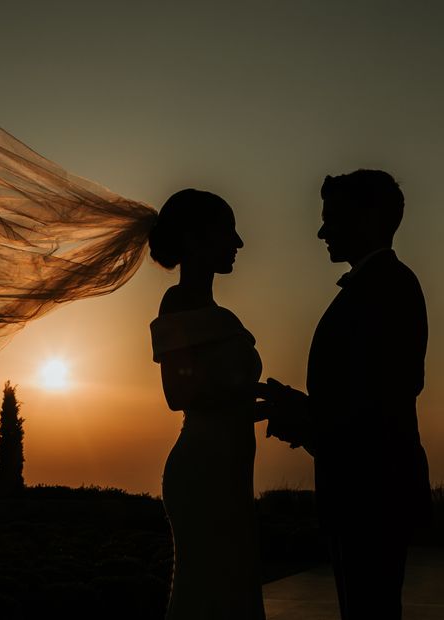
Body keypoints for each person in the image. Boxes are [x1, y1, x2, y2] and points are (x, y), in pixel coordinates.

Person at [266, 169, 432, 620]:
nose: (321, 230)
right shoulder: (376, 286)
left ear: (368, 218)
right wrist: (295, 406)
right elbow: (360, 392)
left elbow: (381, 399)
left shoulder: (388, 288)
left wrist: (301, 416)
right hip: (363, 486)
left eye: (331, 217)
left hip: (371, 489)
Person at [149, 189, 267, 620]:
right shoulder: (178, 303)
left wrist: (266, 403)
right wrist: (244, 397)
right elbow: (178, 395)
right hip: (203, 472)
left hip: (228, 469)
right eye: (228, 231)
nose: (238, 243)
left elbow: (214, 392)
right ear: (196, 239)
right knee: (209, 590)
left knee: (229, 586)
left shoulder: (209, 307)